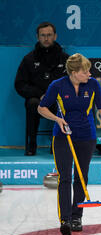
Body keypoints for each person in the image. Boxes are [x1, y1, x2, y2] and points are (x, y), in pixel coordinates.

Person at [38, 53, 101, 235]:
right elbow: (42, 107)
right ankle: (65, 219)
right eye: (85, 71)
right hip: (63, 137)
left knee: (81, 176)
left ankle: (77, 216)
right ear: (73, 72)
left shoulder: (93, 84)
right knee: (64, 177)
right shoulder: (57, 86)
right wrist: (57, 119)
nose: (89, 73)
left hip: (87, 136)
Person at [15, 22, 69, 155]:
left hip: (58, 99)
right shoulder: (28, 59)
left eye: (49, 35)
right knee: (32, 104)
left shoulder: (66, 59)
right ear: (37, 37)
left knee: (65, 104)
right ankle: (31, 144)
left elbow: (72, 83)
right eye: (43, 35)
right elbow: (20, 84)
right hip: (38, 100)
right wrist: (39, 95)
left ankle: (57, 144)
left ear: (55, 36)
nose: (46, 38)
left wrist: (56, 95)